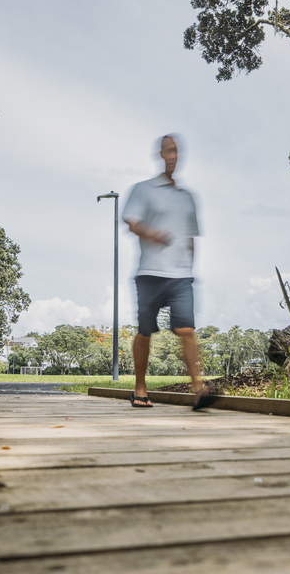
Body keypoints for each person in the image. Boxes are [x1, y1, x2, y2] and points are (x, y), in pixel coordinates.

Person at [121, 134, 213, 410]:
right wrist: (152, 233)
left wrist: (189, 266)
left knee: (186, 329)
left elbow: (191, 237)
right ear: (161, 154)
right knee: (145, 331)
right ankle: (140, 388)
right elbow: (132, 222)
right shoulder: (143, 189)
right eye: (168, 151)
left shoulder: (188, 198)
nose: (172, 155)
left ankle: (198, 388)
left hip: (181, 276)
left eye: (176, 151)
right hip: (150, 273)